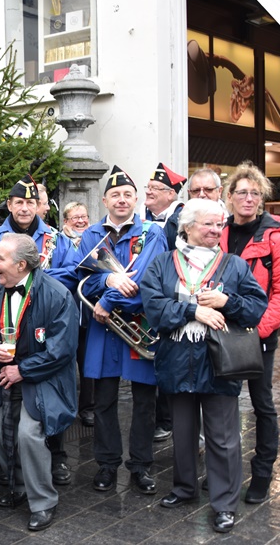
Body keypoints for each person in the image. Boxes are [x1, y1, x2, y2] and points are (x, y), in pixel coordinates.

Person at [141, 199, 268, 533]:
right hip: (177, 358)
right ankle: (184, 488)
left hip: (219, 360)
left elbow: (256, 308)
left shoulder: (235, 265)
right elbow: (153, 308)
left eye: (219, 224)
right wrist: (193, 311)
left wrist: (229, 302)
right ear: (187, 226)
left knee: (223, 436)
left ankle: (225, 503)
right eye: (208, 224)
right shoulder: (162, 263)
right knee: (182, 432)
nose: (216, 230)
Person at [0, 173, 76, 485]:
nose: (25, 208)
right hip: (5, 358)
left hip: (40, 354)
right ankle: (16, 479)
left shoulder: (56, 239)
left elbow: (72, 272)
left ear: (39, 205)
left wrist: (40, 280)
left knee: (34, 428)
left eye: (31, 202)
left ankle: (47, 474)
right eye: (19, 202)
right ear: (10, 205)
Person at [74, 165, 167, 494]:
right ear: (104, 200)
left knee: (145, 401)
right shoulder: (91, 235)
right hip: (104, 327)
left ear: (136, 198)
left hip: (136, 322)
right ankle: (107, 465)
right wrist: (109, 279)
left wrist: (108, 300)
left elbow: (144, 279)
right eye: (115, 194)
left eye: (128, 194)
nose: (122, 199)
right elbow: (81, 276)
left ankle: (141, 466)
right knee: (104, 401)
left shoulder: (152, 233)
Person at [0, 233, 78, 531]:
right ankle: (18, 486)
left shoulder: (58, 295)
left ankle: (43, 501)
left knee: (29, 434)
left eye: (0, 259)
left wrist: (23, 370)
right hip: (6, 377)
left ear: (21, 265)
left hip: (45, 378)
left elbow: (62, 351)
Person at [220, 161, 280, 504]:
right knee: (223, 403)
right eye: (242, 192)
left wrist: (259, 331)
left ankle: (262, 472)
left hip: (259, 335)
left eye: (255, 193)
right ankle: (225, 470)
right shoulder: (218, 232)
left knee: (262, 404)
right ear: (230, 196)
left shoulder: (274, 239)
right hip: (221, 330)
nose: (248, 198)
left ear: (262, 198)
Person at [142, 162, 187, 443]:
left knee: (169, 358)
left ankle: (168, 420)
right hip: (151, 297)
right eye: (148, 188)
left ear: (171, 194)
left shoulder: (180, 220)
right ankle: (159, 417)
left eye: (156, 189)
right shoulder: (145, 217)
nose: (149, 193)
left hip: (171, 298)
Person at [60, 201, 93, 425]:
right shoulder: (58, 241)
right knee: (66, 364)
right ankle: (66, 406)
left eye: (84, 217)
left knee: (88, 363)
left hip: (89, 313)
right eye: (75, 218)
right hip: (66, 314)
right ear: (65, 222)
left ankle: (88, 408)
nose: (81, 221)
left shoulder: (95, 238)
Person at [163, 167, 226, 250]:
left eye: (208, 189)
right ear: (189, 193)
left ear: (220, 191)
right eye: (196, 190)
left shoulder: (233, 221)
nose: (202, 194)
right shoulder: (175, 221)